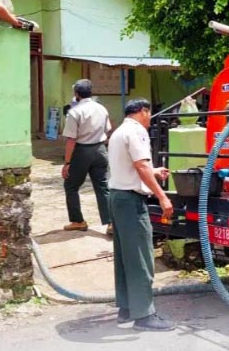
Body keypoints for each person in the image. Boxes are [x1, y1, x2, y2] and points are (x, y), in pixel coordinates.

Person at [107, 98, 175, 331]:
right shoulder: (137, 132)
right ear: (142, 112)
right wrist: (162, 197)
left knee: (126, 256)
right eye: (149, 113)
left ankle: (126, 308)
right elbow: (141, 166)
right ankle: (144, 315)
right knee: (141, 257)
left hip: (117, 196)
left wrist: (154, 171)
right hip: (131, 200)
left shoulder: (119, 131)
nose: (150, 119)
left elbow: (133, 166)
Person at [61, 79, 112, 233]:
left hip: (82, 151)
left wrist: (67, 162)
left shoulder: (74, 112)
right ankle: (111, 223)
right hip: (100, 149)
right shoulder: (101, 109)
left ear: (76, 94)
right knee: (103, 187)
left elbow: (71, 139)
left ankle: (78, 220)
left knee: (71, 186)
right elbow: (108, 129)